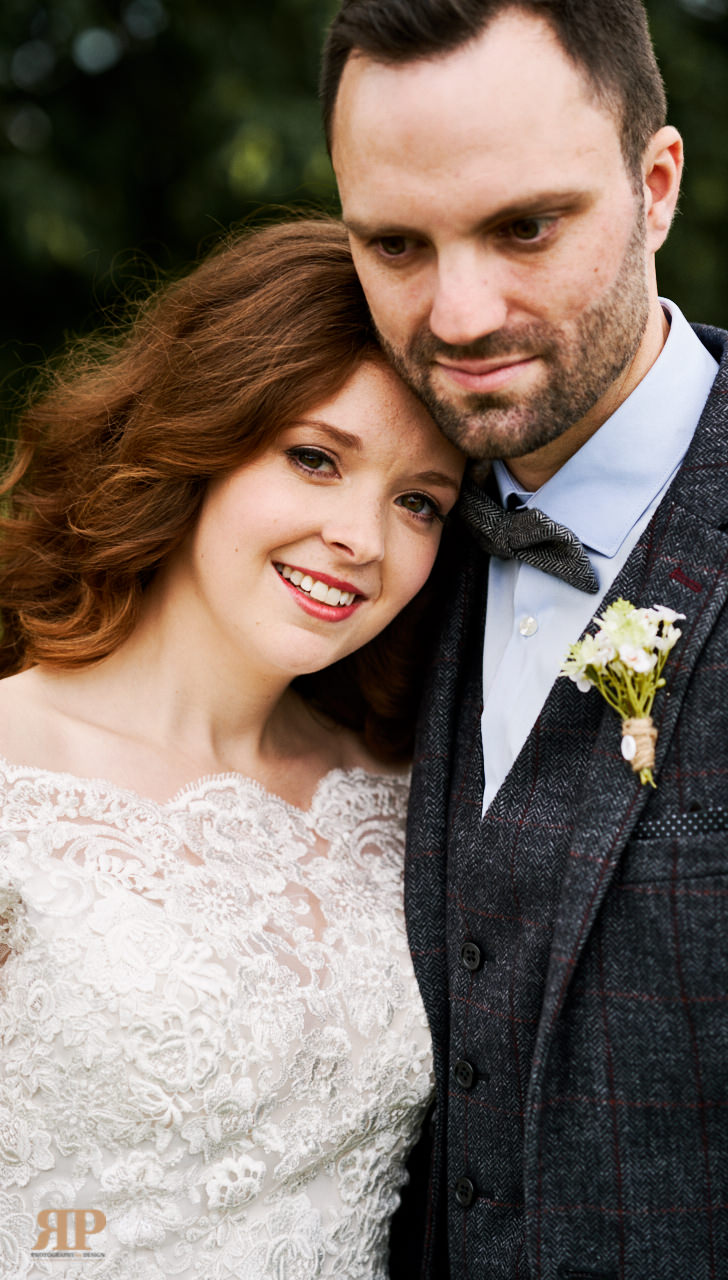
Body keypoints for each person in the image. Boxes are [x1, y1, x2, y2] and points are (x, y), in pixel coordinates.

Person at [320, 2, 728, 1277]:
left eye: (524, 227)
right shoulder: (364, 562)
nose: (457, 312)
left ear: (655, 185)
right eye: (395, 242)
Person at [0, 217, 465, 1278]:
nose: (363, 536)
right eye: (314, 457)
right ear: (201, 434)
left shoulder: (403, 794)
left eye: (418, 501)